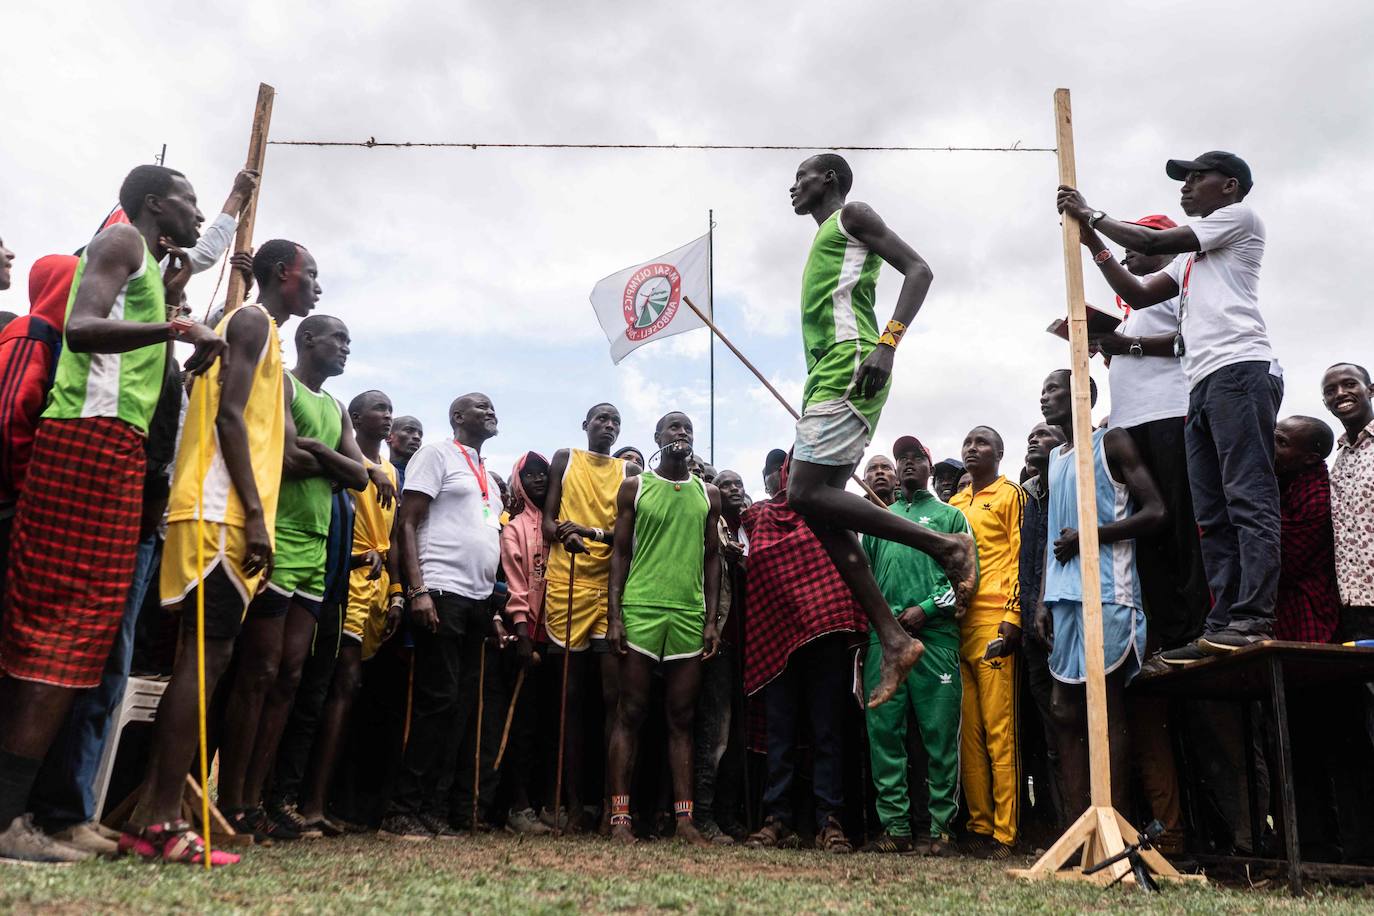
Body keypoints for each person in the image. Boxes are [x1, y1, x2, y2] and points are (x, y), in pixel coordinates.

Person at [0, 165, 226, 864]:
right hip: (88, 441)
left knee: (85, 639)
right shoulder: (121, 246)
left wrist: (175, 348)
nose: (197, 212)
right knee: (57, 630)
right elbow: (85, 329)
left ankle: (43, 811)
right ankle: (10, 820)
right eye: (190, 201)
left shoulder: (151, 266)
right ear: (155, 205)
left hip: (121, 451)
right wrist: (177, 328)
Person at [119, 239, 316, 864]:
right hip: (219, 510)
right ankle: (159, 822)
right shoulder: (252, 320)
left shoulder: (259, 334)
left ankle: (159, 808)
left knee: (207, 659)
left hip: (221, 511)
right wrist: (257, 516)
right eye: (311, 275)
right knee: (205, 661)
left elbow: (268, 432)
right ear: (285, 276)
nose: (317, 286)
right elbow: (229, 418)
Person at [1058, 151, 1282, 657]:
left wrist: (1091, 213)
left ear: (1230, 186)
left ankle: (1254, 616)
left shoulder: (1239, 218)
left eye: (1196, 178)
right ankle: (1222, 620)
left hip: (1240, 369)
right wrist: (1095, 243)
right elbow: (1137, 296)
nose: (1186, 187)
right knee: (1212, 511)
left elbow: (1149, 241)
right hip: (1202, 381)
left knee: (1247, 498)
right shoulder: (1188, 260)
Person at [784, 153, 976, 708]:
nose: (792, 186)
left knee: (804, 493)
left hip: (853, 361)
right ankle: (893, 639)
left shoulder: (852, 216)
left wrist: (887, 344)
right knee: (820, 510)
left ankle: (946, 544)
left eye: (801, 177)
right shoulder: (823, 238)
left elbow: (920, 269)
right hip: (824, 373)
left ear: (830, 180)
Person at [217, 312, 370, 840]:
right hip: (277, 537)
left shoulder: (334, 409)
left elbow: (361, 476)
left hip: (318, 550)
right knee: (256, 671)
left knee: (289, 677)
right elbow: (283, 457)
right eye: (339, 338)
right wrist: (335, 467)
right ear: (308, 339)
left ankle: (259, 800)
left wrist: (325, 453)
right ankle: (230, 799)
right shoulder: (282, 383)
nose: (346, 347)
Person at [1035, 369, 1166, 819]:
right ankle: (1078, 826)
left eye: (1053, 388)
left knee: (1104, 708)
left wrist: (1093, 533)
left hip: (1110, 592)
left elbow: (1156, 511)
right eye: (1042, 391)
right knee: (1064, 710)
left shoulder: (1112, 441)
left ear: (1083, 394)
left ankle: (1115, 824)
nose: (1044, 397)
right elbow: (1054, 535)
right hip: (1065, 598)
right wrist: (1042, 601)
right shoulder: (1055, 458)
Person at [380, 393, 503, 840]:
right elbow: (407, 524)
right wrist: (416, 590)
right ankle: (401, 810)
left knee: (460, 707)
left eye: (493, 407)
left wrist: (491, 608)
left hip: (477, 600)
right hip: (440, 591)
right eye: (481, 406)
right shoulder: (436, 454)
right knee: (436, 700)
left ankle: (430, 808)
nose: (491, 412)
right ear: (457, 417)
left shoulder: (486, 473)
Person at [1090, 214, 1210, 656]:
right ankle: (1170, 633)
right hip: (1129, 422)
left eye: (1135, 247)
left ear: (1164, 246)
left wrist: (1131, 347)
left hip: (1170, 413)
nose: (1127, 254)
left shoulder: (1184, 282)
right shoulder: (1128, 310)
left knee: (1181, 522)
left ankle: (1199, 628)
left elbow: (1192, 338)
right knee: (1146, 532)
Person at [605, 411, 721, 846]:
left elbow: (713, 558)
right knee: (630, 712)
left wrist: (711, 620)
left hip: (688, 614)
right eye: (673, 427)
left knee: (681, 719)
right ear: (656, 437)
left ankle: (685, 821)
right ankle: (619, 818)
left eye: (688, 428)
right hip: (640, 609)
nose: (681, 433)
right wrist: (615, 615)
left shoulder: (708, 494)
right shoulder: (636, 486)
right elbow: (619, 554)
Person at [742, 453, 863, 854]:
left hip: (825, 637)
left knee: (827, 732)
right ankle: (777, 819)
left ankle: (829, 821)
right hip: (776, 638)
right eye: (792, 470)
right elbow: (756, 569)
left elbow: (846, 571)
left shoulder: (832, 517)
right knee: (780, 733)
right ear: (783, 476)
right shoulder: (759, 517)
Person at [295, 389, 404, 834]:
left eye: (391, 410)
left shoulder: (393, 472)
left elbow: (393, 535)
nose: (388, 417)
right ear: (355, 416)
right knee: (339, 684)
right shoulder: (349, 462)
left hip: (380, 589)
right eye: (380, 408)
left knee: (355, 693)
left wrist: (397, 591)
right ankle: (311, 802)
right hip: (346, 579)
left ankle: (335, 799)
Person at [859, 436, 968, 856]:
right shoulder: (878, 519)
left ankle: (941, 831)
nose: (905, 464)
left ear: (928, 465)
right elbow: (863, 577)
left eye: (913, 458)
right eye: (899, 458)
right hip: (883, 641)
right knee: (884, 732)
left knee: (939, 735)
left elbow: (964, 577)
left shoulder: (950, 515)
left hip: (935, 636)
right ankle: (895, 829)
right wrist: (883, 623)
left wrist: (925, 608)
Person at [541, 402, 638, 830]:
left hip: (609, 589)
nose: (609, 425)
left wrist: (590, 533)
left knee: (611, 701)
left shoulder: (626, 474)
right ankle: (570, 803)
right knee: (569, 700)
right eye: (601, 418)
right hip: (567, 585)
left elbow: (624, 533)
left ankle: (606, 804)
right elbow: (547, 522)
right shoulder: (566, 458)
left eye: (615, 421)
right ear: (585, 425)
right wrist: (564, 530)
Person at [948, 426, 1023, 859]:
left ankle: (1005, 833)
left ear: (999, 452)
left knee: (1000, 731)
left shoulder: (1010, 495)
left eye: (981, 442)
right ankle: (977, 825)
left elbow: (1018, 557)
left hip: (996, 621)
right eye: (967, 443)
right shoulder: (954, 504)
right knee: (970, 735)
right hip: (957, 625)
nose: (972, 448)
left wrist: (1012, 616)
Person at [497, 451, 552, 835]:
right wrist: (520, 630)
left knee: (547, 725)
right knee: (523, 724)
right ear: (519, 481)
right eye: (530, 474)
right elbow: (515, 580)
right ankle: (517, 807)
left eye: (544, 474)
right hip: (526, 634)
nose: (539, 479)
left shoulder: (557, 525)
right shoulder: (515, 526)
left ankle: (541, 802)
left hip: (560, 633)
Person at [693, 469, 748, 844]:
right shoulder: (703, 522)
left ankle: (726, 813)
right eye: (723, 484)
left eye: (737, 485)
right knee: (712, 732)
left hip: (746, 647)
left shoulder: (750, 529)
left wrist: (742, 562)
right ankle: (701, 814)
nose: (730, 489)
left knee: (734, 736)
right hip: (710, 639)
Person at [1018, 421, 1069, 836]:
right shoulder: (1031, 496)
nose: (1034, 440)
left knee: (1069, 724)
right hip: (1032, 632)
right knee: (1051, 734)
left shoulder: (1068, 487)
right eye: (1030, 436)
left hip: (1061, 621)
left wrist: (1043, 604)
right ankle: (1062, 825)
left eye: (1044, 435)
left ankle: (1079, 819)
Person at [1273, 417, 1340, 643]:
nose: (1270, 447)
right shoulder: (1282, 481)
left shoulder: (1319, 497)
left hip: (1307, 605)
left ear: (1310, 458)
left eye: (1281, 443)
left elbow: (1284, 558)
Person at [1323, 363, 1374, 641]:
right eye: (1331, 391)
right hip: (1353, 604)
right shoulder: (1338, 462)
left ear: (1371, 390)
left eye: (1350, 384)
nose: (1340, 393)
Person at [388, 415, 424, 490]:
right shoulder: (378, 473)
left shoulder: (428, 479)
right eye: (408, 431)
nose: (417, 437)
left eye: (420, 435)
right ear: (389, 437)